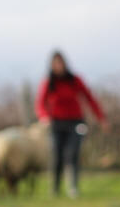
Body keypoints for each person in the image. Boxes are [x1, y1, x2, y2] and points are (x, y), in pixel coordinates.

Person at [35, 50, 108, 198]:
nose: (58, 66)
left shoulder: (75, 80)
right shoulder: (48, 82)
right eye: (55, 63)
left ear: (65, 64)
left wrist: (101, 118)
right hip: (56, 123)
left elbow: (90, 98)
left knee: (72, 152)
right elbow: (40, 104)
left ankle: (73, 187)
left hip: (76, 123)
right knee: (57, 155)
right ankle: (55, 188)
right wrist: (44, 117)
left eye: (60, 63)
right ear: (51, 65)